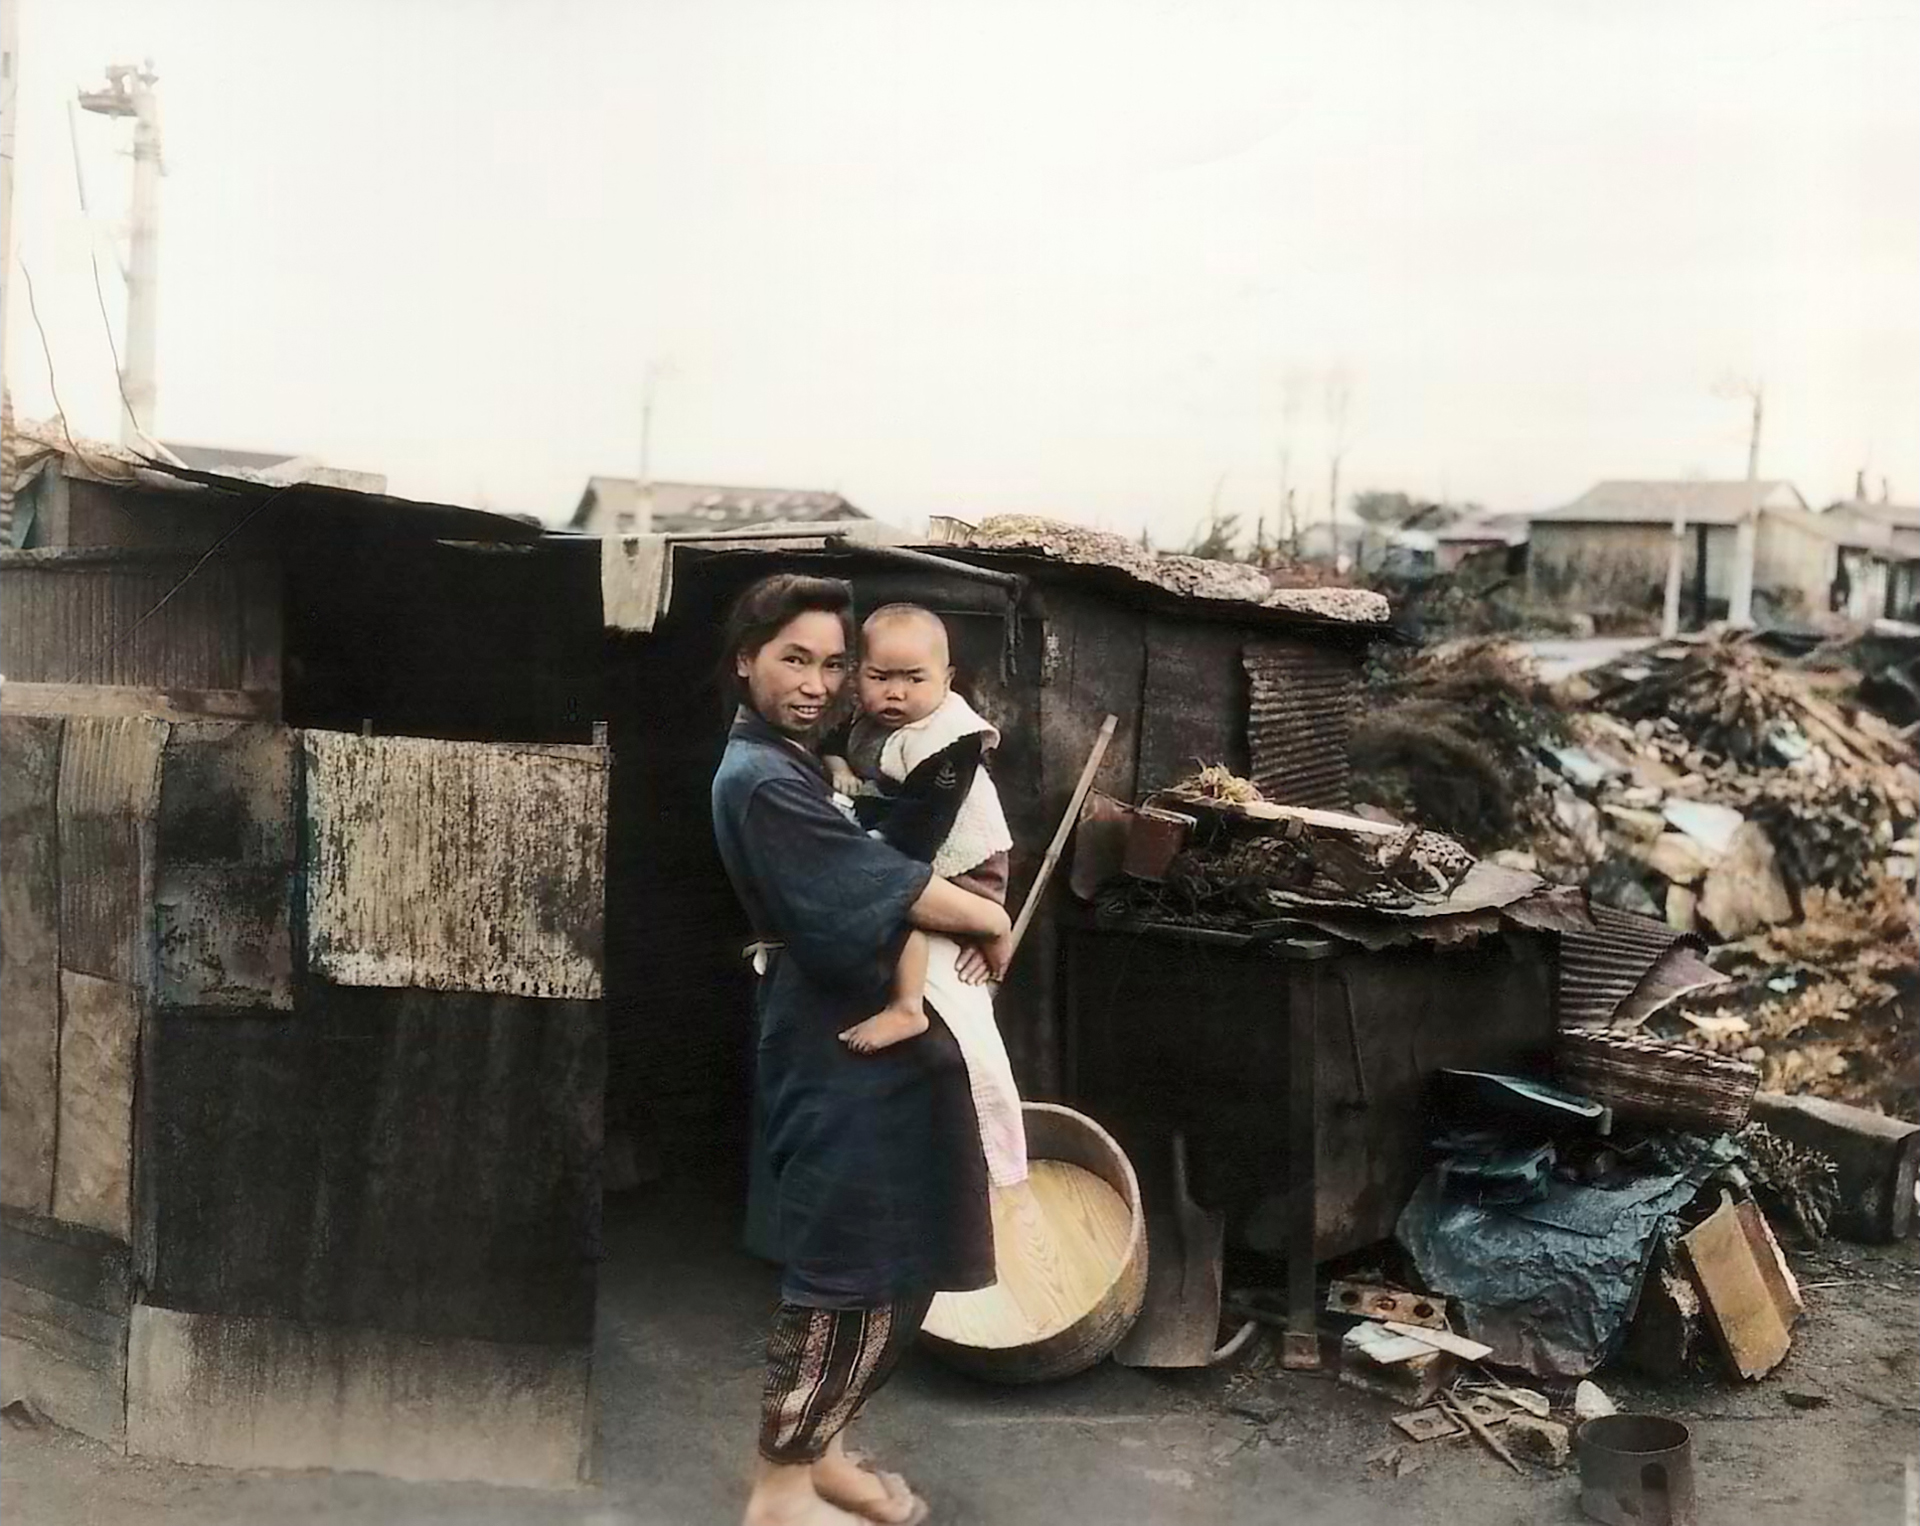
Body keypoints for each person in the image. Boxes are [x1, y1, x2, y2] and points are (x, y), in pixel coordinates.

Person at [712, 573, 1011, 1526]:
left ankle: (825, 1452)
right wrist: (985, 915)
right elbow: (870, 879)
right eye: (793, 658)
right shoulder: (758, 779)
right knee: (842, 1261)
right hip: (833, 1034)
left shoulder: (806, 761)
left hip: (869, 1039)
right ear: (745, 663)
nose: (817, 681)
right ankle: (779, 1487)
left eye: (832, 663)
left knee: (891, 1251)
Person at [823, 604, 1029, 1189]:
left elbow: (919, 835)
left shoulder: (949, 741)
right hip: (912, 840)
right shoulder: (870, 720)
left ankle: (907, 1006)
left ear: (947, 679)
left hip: (963, 861)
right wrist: (838, 765)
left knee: (899, 898)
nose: (895, 693)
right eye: (880, 677)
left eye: (914, 679)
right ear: (859, 675)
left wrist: (864, 840)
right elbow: (837, 741)